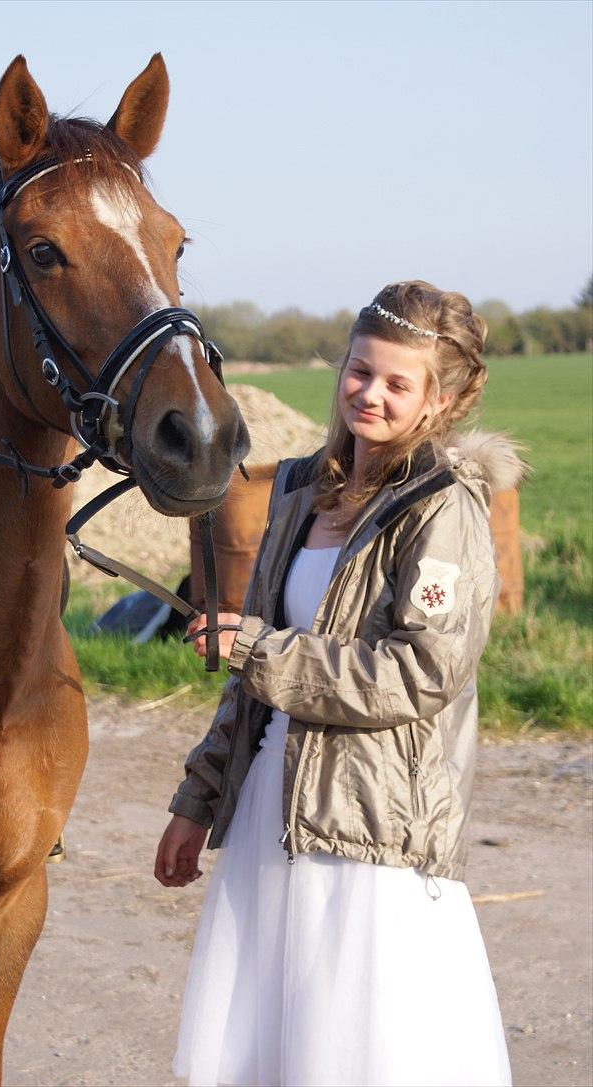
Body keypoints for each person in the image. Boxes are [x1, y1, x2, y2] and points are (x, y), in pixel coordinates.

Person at [155, 280, 521, 1087]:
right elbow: (247, 687)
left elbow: (419, 673)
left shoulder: (441, 510)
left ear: (440, 399)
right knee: (266, 1059)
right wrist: (197, 798)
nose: (371, 394)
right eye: (361, 370)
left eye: (398, 382)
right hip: (267, 820)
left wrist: (262, 650)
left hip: (368, 835)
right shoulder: (295, 494)